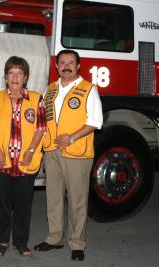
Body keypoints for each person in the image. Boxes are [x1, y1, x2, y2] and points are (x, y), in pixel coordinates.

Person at [33, 49, 103, 261]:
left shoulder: (88, 89)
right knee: (53, 198)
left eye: (71, 62)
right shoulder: (50, 90)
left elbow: (95, 121)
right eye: (62, 62)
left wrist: (71, 137)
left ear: (78, 66)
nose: (66, 66)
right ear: (56, 66)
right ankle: (54, 238)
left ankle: (77, 243)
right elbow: (42, 120)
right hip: (52, 152)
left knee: (77, 200)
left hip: (77, 153)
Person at [0, 56, 46, 257]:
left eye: (19, 73)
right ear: (6, 77)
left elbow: (40, 128)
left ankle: (20, 242)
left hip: (26, 161)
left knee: (23, 204)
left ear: (25, 77)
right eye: (11, 73)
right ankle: (2, 241)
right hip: (2, 162)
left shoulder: (36, 99)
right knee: (2, 203)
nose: (15, 77)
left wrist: (30, 152)